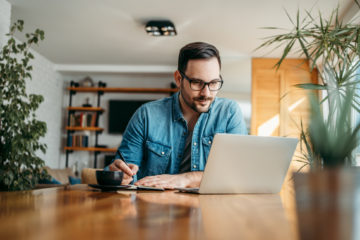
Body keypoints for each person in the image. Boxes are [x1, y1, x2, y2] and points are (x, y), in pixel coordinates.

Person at [108, 42, 247, 188]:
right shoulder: (146, 115)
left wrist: (187, 179)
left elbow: (237, 173)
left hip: (211, 208)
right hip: (154, 207)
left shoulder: (229, 113)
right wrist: (119, 174)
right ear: (179, 79)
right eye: (197, 83)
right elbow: (123, 170)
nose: (206, 93)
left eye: (213, 83)